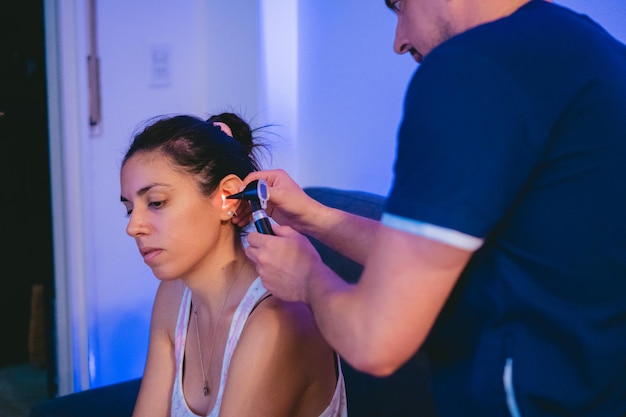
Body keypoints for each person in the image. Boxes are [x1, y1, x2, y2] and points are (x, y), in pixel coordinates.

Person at [238, 0, 626, 415]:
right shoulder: (601, 53)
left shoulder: (471, 67)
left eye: (400, 6)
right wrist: (314, 216)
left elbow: (375, 341)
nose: (399, 41)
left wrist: (308, 278)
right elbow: (456, 262)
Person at [119, 112, 348, 417]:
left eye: (156, 202)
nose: (133, 227)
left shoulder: (276, 322)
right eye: (129, 209)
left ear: (227, 197)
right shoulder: (172, 297)